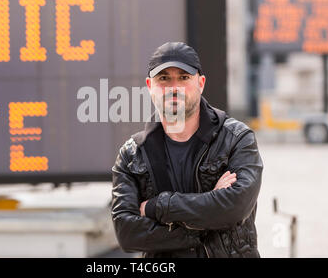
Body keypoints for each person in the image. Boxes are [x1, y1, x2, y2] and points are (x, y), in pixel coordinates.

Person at [110, 42, 263, 258]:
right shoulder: (132, 155)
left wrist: (156, 208)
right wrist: (208, 215)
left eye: (183, 77)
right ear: (149, 86)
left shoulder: (236, 139)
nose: (174, 87)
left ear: (200, 83)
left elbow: (235, 207)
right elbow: (127, 234)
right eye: (164, 78)